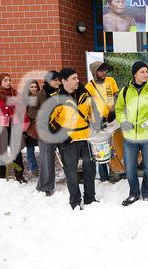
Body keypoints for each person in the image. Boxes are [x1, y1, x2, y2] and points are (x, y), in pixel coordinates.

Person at [115, 61, 148, 206]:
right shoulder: (125, 91)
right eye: (142, 72)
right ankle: (133, 193)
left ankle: (147, 193)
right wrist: (123, 121)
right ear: (135, 74)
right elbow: (119, 110)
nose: (145, 74)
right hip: (130, 138)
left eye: (146, 71)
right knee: (130, 170)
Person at [50, 68, 97, 210]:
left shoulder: (85, 95)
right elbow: (49, 121)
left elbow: (93, 114)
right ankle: (75, 201)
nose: (78, 80)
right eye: (74, 78)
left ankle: (90, 198)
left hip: (86, 139)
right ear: (64, 81)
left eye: (77, 78)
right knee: (71, 173)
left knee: (90, 170)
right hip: (68, 142)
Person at [0, 73, 29, 183]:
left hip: (14, 127)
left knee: (16, 152)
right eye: (5, 80)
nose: (8, 82)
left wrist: (24, 127)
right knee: (0, 153)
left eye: (9, 80)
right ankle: (1, 179)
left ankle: (20, 177)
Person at [85, 61, 122, 182]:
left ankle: (117, 172)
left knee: (115, 145)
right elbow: (89, 105)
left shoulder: (111, 80)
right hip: (98, 121)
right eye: (101, 70)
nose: (104, 72)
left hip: (112, 119)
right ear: (95, 72)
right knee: (101, 148)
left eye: (105, 70)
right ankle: (104, 177)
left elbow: (116, 96)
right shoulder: (88, 87)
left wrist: (114, 110)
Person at [28, 70, 61, 196]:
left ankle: (71, 182)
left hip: (61, 129)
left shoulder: (61, 93)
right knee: (47, 159)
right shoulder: (37, 95)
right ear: (48, 81)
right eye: (55, 80)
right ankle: (45, 186)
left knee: (67, 156)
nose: (58, 82)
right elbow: (30, 112)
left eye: (59, 79)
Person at [24, 80, 40, 176]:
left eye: (35, 87)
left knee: (44, 148)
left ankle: (46, 166)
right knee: (30, 148)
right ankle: (33, 168)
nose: (34, 88)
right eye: (31, 87)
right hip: (30, 127)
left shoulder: (41, 97)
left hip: (40, 126)